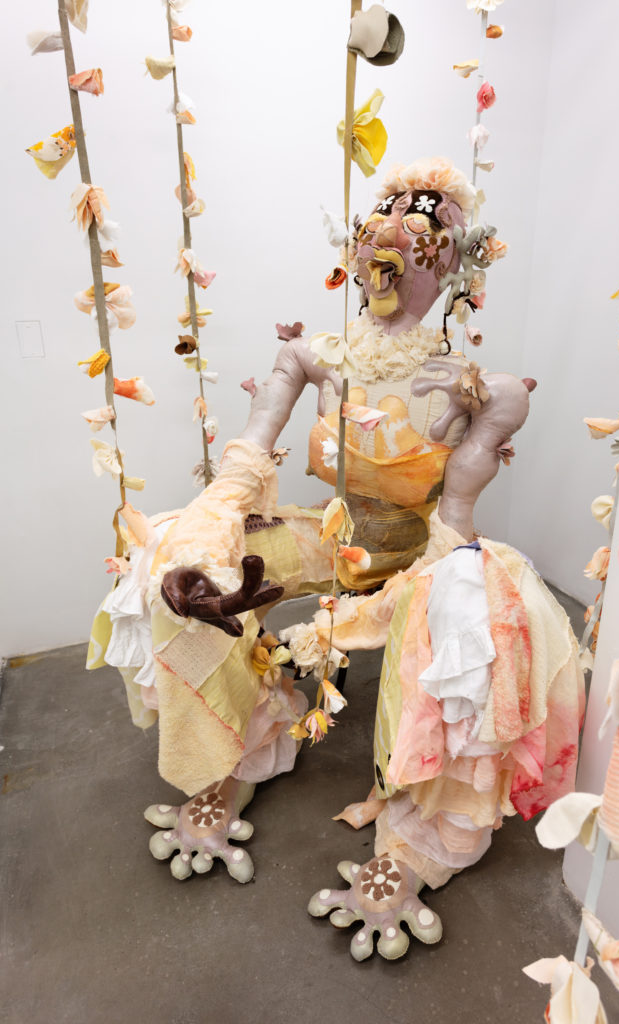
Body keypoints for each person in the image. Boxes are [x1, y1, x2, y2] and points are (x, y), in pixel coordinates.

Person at [88, 157, 584, 959]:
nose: (392, 231)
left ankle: (418, 836)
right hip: (332, 532)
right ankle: (243, 742)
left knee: (464, 607)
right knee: (179, 555)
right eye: (381, 217)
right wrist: (202, 548)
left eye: (423, 223)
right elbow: (242, 469)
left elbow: (452, 522)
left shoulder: (481, 389)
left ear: (455, 262)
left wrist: (412, 594)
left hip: (418, 547)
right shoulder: (312, 356)